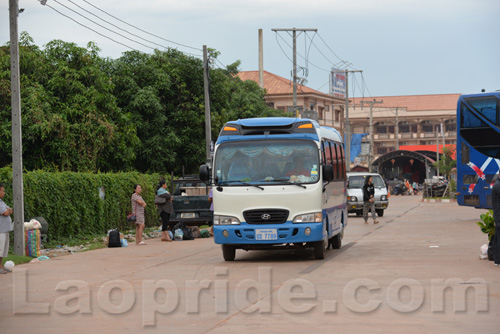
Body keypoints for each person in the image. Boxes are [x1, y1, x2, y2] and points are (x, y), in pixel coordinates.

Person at [0, 183, 13, 274]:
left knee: (3, 251)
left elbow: (9, 210)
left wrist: (8, 211)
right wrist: (7, 211)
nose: (4, 193)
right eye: (2, 191)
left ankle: (1, 266)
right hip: (0, 230)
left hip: (5, 229)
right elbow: (5, 212)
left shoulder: (2, 202)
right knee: (0, 250)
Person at [492, 176, 500, 266]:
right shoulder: (498, 185)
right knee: (498, 240)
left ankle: (497, 260)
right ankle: (498, 260)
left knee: (497, 238)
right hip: (499, 216)